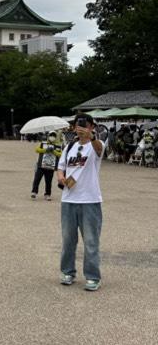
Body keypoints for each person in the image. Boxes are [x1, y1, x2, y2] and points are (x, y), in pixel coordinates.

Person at [56, 113, 106, 291]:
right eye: (78, 124)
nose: (80, 127)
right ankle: (68, 272)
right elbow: (60, 167)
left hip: (90, 200)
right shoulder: (69, 146)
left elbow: (100, 149)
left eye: (84, 124)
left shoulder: (96, 145)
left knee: (91, 241)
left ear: (92, 127)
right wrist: (61, 178)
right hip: (68, 199)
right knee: (68, 239)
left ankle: (93, 277)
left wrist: (90, 137)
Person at [30, 130, 62, 200]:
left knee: (48, 181)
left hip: (50, 167)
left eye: (54, 136)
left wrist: (54, 151)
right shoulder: (43, 144)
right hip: (41, 165)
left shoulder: (57, 146)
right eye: (51, 135)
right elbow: (37, 150)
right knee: (37, 179)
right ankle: (34, 192)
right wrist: (45, 150)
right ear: (48, 136)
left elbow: (60, 154)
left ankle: (47, 194)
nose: (52, 137)